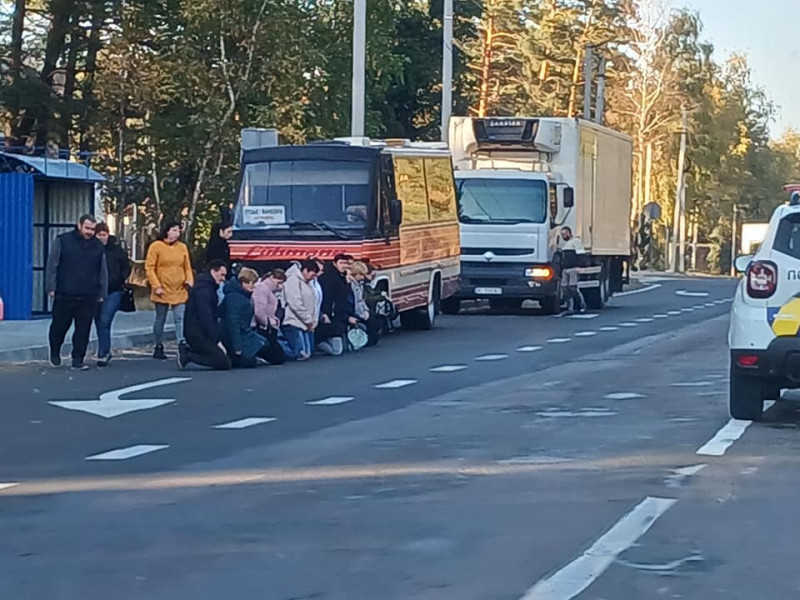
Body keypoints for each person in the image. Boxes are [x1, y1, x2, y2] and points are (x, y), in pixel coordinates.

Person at [45, 214, 108, 370]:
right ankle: (55, 350)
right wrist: (50, 287)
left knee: (83, 330)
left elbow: (102, 270)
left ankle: (78, 359)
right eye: (87, 228)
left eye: (92, 229)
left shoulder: (98, 246)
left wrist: (102, 292)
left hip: (88, 294)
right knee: (59, 326)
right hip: (65, 293)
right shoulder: (63, 241)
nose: (89, 232)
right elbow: (52, 265)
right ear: (79, 225)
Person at [145, 220, 194, 359]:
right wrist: (156, 285)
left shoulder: (182, 247)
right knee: (161, 318)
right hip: (162, 287)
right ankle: (158, 345)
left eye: (178, 231)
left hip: (179, 288)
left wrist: (189, 280)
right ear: (166, 231)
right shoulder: (156, 246)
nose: (176, 233)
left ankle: (181, 344)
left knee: (180, 317)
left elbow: (187, 266)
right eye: (173, 230)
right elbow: (149, 268)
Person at [220, 268, 285, 368]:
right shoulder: (235, 298)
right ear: (244, 282)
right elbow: (233, 324)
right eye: (251, 283)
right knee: (255, 359)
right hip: (243, 335)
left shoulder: (239, 295)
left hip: (246, 333)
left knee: (272, 353)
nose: (254, 286)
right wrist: (237, 347)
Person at [178, 260, 231, 370]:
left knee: (226, 356)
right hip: (196, 333)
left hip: (202, 332)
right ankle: (188, 355)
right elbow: (206, 317)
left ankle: (192, 352)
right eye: (222, 275)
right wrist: (216, 341)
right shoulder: (203, 290)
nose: (223, 279)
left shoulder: (208, 287)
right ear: (213, 271)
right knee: (222, 362)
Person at [93, 222, 132, 367]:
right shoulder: (92, 249)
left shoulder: (116, 250)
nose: (102, 238)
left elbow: (126, 267)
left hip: (113, 290)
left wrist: (120, 278)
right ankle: (104, 349)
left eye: (104, 235)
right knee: (98, 322)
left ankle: (103, 353)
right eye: (99, 235)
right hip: (96, 291)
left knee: (104, 319)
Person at [316, 253, 356, 356]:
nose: (343, 266)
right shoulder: (329, 277)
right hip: (332, 315)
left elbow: (347, 297)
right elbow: (326, 297)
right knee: (336, 350)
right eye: (341, 263)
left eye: (345, 263)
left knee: (342, 347)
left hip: (340, 315)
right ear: (335, 263)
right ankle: (315, 344)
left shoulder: (343, 277)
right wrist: (325, 313)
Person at [282, 260, 320, 360]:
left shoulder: (309, 283)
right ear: (305, 270)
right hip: (294, 321)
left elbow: (314, 303)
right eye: (313, 274)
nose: (314, 277)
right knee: (300, 353)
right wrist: (308, 320)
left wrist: (313, 320)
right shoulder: (292, 280)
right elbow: (295, 302)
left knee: (309, 352)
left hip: (307, 324)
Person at [348, 261, 381, 347]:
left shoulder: (360, 284)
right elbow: (354, 302)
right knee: (372, 323)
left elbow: (361, 300)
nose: (363, 277)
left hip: (362, 309)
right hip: (355, 312)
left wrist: (366, 310)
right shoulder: (351, 285)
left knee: (376, 321)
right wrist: (361, 314)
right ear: (357, 274)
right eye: (362, 275)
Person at [559, 226, 586, 314]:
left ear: (569, 233)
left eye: (565, 233)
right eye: (562, 234)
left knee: (573, 287)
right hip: (565, 268)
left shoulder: (576, 242)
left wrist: (580, 266)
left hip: (573, 268)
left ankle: (580, 305)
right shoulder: (563, 244)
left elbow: (581, 255)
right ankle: (570, 306)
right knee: (564, 288)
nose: (564, 236)